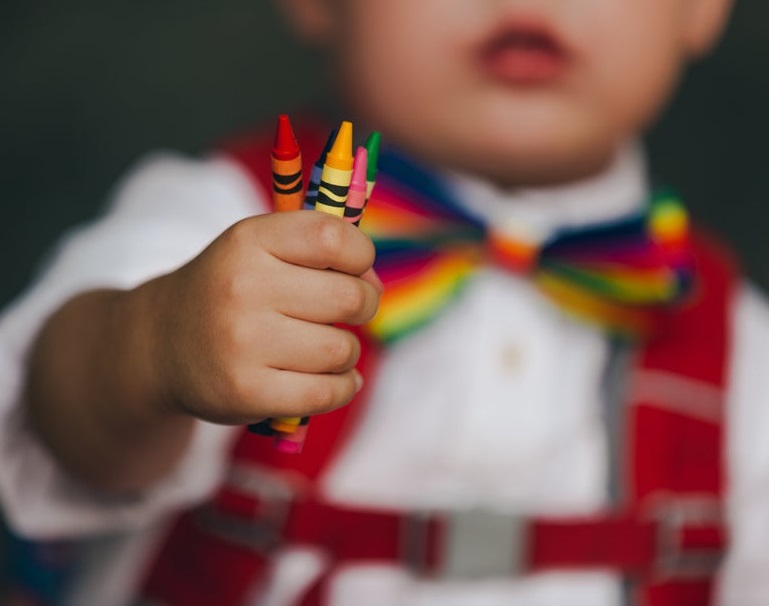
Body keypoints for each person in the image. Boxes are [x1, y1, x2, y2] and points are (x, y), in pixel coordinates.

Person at [0, 0, 764, 604]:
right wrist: (157, 344)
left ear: (701, 7)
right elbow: (58, 416)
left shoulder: (736, 340)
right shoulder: (215, 218)